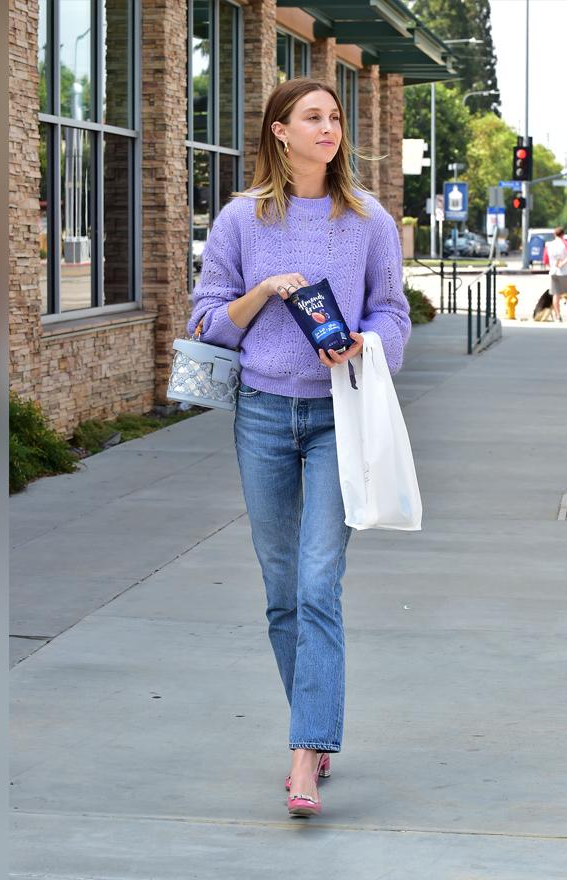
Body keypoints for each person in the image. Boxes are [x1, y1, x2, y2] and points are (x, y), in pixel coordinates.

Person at [186, 77, 411, 819]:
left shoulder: (367, 218)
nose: (329, 127)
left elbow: (393, 314)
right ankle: (313, 737)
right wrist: (265, 294)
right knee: (282, 592)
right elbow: (209, 320)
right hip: (260, 416)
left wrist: (363, 345)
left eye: (335, 117)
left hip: (338, 419)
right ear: (279, 131)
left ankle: (304, 753)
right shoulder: (241, 221)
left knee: (319, 584)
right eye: (313, 116)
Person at [543, 227, 567, 322]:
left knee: (556, 295)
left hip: (554, 273)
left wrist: (553, 266)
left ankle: (558, 316)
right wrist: (563, 263)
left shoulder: (549, 245)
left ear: (555, 235)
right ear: (563, 234)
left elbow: (545, 260)